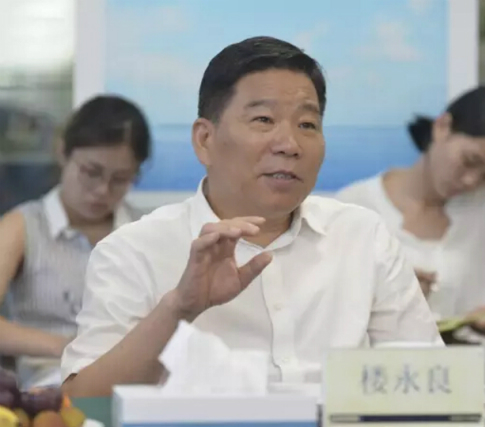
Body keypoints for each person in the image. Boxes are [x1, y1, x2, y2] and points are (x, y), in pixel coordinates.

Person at [60, 36, 442, 397]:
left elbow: (433, 385)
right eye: (263, 120)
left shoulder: (362, 236)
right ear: (205, 140)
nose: (290, 144)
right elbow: (82, 402)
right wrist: (178, 309)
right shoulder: (132, 251)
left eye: (307, 125)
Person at [336, 86, 485, 333]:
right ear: (442, 127)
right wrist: (386, 292)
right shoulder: (355, 208)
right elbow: (322, 309)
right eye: (469, 161)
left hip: (473, 356)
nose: (471, 181)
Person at [0, 95, 151, 388]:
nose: (102, 190)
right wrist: (69, 346)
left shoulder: (145, 231)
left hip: (133, 382)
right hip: (51, 381)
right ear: (63, 153)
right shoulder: (24, 226)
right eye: (91, 172)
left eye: (120, 179)